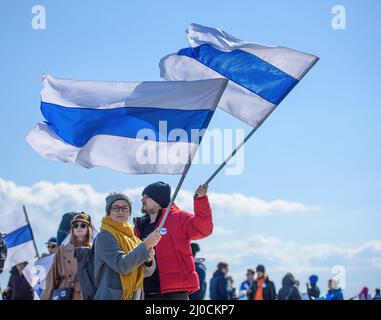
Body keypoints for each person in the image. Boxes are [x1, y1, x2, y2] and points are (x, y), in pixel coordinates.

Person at [134, 181, 213, 300]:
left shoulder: (178, 218)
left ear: (157, 200)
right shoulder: (139, 226)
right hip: (146, 292)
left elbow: (203, 229)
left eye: (146, 197)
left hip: (175, 292)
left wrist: (201, 200)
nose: (142, 200)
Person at [93, 192, 159, 300]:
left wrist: (148, 261)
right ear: (109, 212)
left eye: (125, 208)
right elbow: (122, 266)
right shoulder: (104, 236)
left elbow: (147, 273)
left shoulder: (134, 239)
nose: (120, 211)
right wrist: (145, 245)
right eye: (115, 208)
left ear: (129, 213)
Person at [41, 212, 93, 300]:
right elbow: (52, 278)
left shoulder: (95, 251)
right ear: (72, 229)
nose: (79, 227)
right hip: (64, 293)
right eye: (75, 225)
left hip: (86, 293)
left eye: (83, 225)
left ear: (89, 229)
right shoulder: (62, 250)